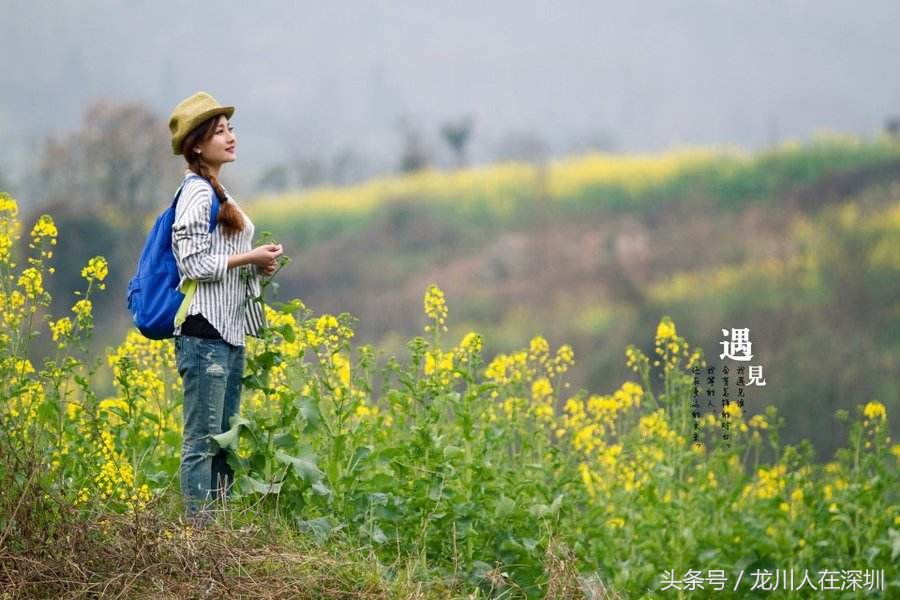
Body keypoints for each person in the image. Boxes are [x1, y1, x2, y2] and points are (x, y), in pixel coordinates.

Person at [167, 91, 283, 526]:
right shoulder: (197, 193)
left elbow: (220, 262)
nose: (230, 137)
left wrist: (259, 265)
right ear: (197, 144)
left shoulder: (219, 190)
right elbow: (192, 263)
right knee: (202, 443)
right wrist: (248, 258)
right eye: (219, 132)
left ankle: (219, 538)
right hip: (204, 333)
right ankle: (201, 541)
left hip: (227, 332)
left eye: (231, 129)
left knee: (223, 442)